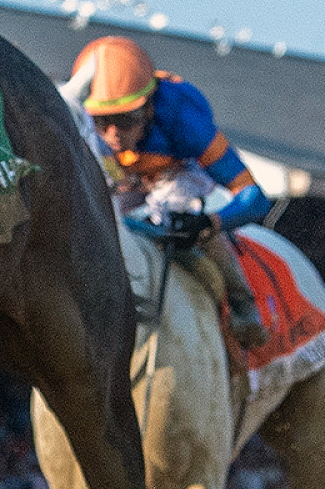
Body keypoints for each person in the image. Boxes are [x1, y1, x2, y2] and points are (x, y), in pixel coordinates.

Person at [69, 35, 271, 348]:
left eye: (125, 120)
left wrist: (209, 224)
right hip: (126, 180)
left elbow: (254, 198)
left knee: (174, 215)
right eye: (102, 120)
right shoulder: (81, 122)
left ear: (149, 107)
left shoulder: (182, 118)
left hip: (177, 175)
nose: (112, 134)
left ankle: (244, 305)